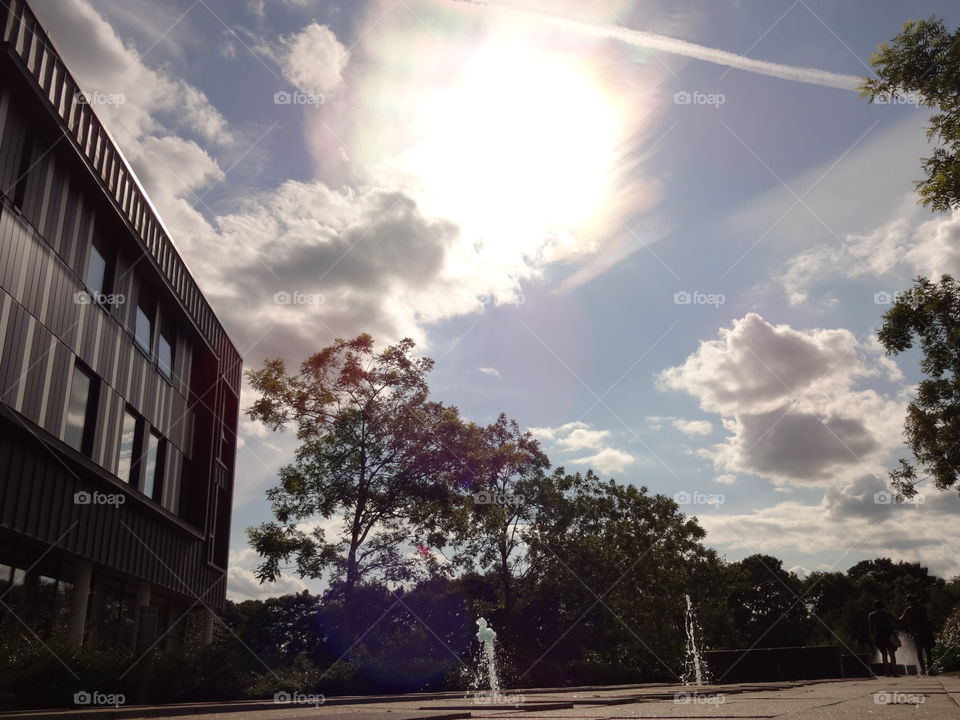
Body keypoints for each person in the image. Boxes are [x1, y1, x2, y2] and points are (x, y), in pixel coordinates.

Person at [900, 594, 935, 675]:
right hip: (926, 632)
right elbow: (926, 620)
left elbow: (901, 619)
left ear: (908, 601)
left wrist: (908, 623)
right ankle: (930, 670)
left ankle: (923, 670)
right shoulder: (923, 608)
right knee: (928, 651)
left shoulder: (908, 609)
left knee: (919, 652)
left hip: (917, 633)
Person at [868, 600, 899, 677]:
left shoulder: (871, 615)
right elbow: (896, 621)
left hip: (880, 634)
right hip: (888, 632)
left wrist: (873, 638)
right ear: (882, 606)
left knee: (884, 654)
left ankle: (887, 672)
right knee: (892, 653)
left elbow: (871, 628)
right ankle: (894, 672)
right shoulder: (887, 614)